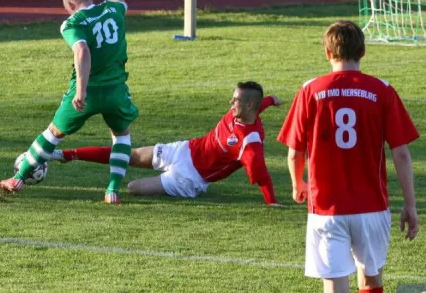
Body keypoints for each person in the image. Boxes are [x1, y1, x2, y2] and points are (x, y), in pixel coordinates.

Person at [277, 20, 420, 293]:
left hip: (326, 208)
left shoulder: (310, 90)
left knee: (334, 283)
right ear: (363, 51)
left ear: (327, 53)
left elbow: (294, 152)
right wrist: (410, 204)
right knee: (371, 278)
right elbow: (401, 154)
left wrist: (297, 184)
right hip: (372, 206)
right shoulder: (382, 90)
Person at [0, 0, 138, 205]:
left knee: (53, 133)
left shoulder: (72, 23)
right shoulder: (114, 9)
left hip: (88, 91)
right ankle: (112, 190)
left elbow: (82, 50)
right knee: (121, 135)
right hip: (116, 90)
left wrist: (81, 91)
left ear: (71, 5)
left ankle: (17, 179)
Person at [50, 82, 281, 205]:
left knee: (133, 188)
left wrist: (271, 202)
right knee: (129, 155)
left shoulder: (250, 144)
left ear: (248, 106)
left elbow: (261, 175)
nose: (231, 103)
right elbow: (258, 107)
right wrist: (270, 100)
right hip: (185, 149)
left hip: (190, 178)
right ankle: (66, 154)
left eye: (236, 100)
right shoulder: (244, 112)